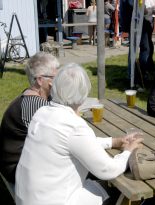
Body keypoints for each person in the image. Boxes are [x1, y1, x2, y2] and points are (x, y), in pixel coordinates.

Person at [15, 63, 144, 205]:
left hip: (27, 197)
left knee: (100, 185)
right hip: (53, 199)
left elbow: (76, 143)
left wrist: (113, 142)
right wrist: (127, 151)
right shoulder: (73, 125)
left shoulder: (42, 112)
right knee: (118, 191)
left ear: (55, 87)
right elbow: (107, 170)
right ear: (84, 95)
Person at [0, 52, 59, 184]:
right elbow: (61, 136)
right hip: (16, 169)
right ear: (40, 80)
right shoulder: (36, 105)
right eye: (55, 77)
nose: (59, 81)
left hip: (18, 162)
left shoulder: (31, 95)